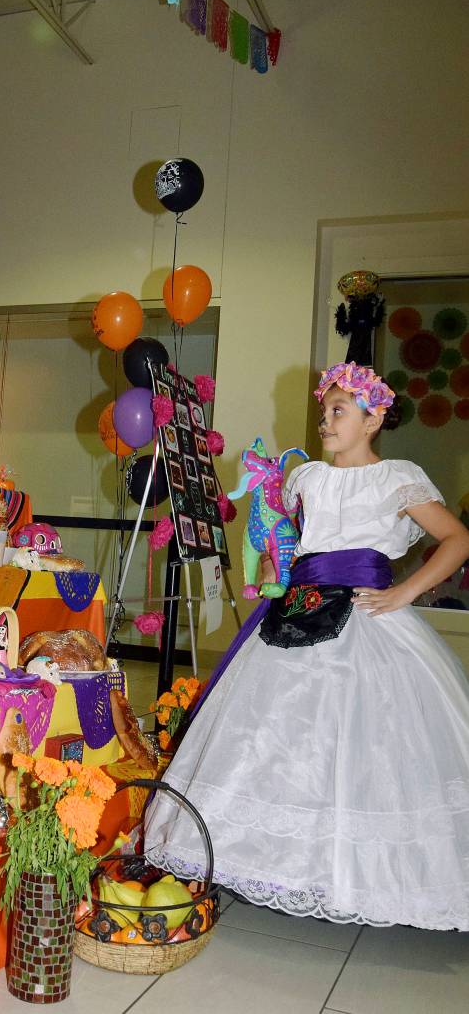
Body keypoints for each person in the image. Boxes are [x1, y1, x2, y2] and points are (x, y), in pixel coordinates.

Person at [145, 361, 469, 931]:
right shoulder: (307, 479)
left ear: (373, 420)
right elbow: (291, 542)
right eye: (324, 412)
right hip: (295, 615)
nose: (326, 421)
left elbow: (456, 538)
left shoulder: (398, 477)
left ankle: (355, 874)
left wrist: (404, 593)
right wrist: (276, 563)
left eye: (339, 412)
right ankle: (276, 862)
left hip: (367, 621)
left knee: (361, 744)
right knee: (274, 737)